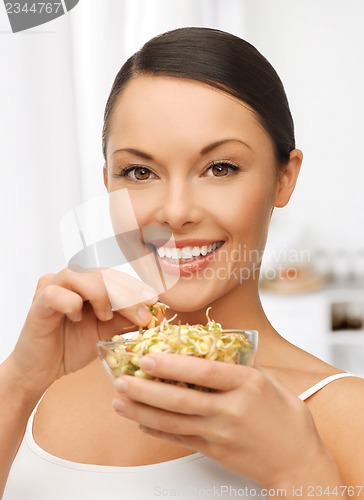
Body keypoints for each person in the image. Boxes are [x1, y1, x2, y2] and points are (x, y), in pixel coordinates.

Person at [1, 27, 363, 500]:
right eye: (139, 172)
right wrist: (22, 381)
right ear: (108, 184)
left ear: (284, 177)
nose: (174, 212)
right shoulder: (36, 389)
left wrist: (298, 471)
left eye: (220, 168)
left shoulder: (343, 414)